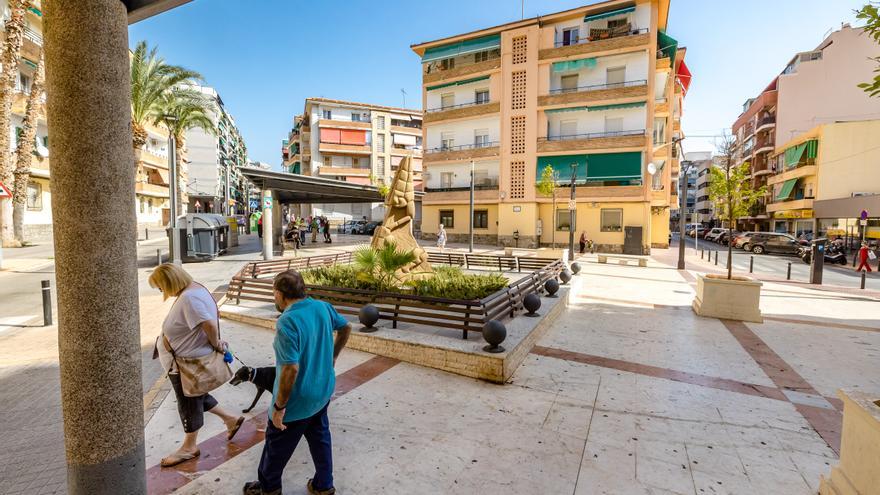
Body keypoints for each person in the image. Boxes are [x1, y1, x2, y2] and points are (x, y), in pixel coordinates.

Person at [243, 271, 352, 495]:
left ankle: (269, 488)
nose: (274, 299)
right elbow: (346, 327)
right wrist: (332, 356)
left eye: (275, 294)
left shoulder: (287, 322)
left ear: (280, 294)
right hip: (322, 391)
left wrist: (279, 407)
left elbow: (291, 369)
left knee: (275, 449)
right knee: (320, 439)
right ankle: (324, 485)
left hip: (296, 401)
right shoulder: (322, 307)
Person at [149, 263, 244, 467]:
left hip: (186, 365)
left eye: (160, 286)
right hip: (185, 364)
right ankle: (231, 419)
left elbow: (208, 324)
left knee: (189, 403)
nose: (160, 291)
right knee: (197, 395)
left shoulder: (189, 298)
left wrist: (216, 343)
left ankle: (189, 447)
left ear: (169, 282)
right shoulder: (194, 289)